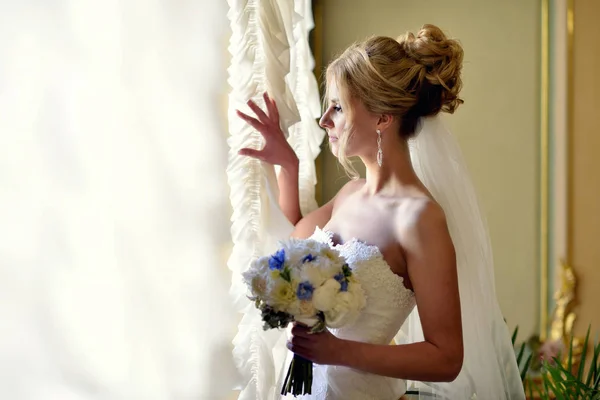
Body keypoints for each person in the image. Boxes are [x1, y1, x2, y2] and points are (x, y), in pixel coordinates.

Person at [236, 24, 525, 399]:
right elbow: (295, 241)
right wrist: (287, 166)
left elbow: (447, 358)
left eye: (338, 107)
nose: (325, 121)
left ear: (383, 118)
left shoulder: (420, 219)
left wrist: (339, 352)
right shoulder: (349, 193)